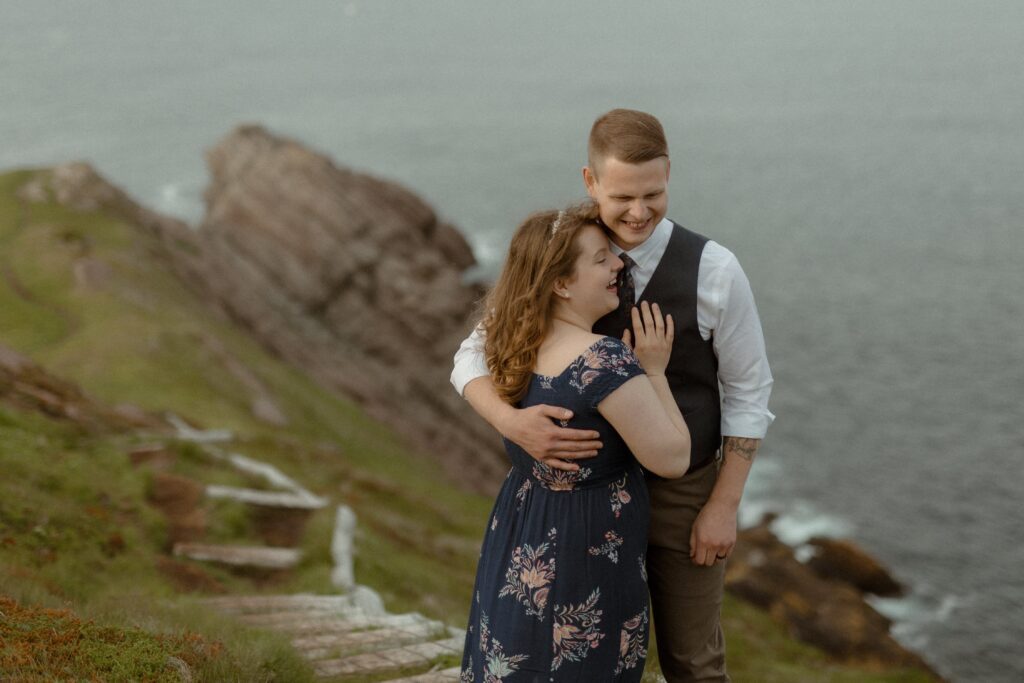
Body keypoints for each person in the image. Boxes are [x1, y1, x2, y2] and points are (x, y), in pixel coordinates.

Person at [451, 109, 774, 682]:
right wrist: (511, 421)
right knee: (577, 650)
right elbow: (472, 353)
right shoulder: (563, 253)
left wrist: (723, 507)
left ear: (670, 174)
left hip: (682, 494)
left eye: (654, 193)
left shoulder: (716, 272)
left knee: (692, 660)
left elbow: (749, 392)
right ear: (590, 182)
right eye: (623, 195)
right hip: (585, 501)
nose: (639, 212)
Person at [459, 203, 691, 681]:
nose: (619, 265)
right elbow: (672, 458)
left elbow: (465, 359)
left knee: (518, 651)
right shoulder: (601, 361)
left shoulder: (513, 341)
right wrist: (652, 370)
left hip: (522, 523)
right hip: (585, 543)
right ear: (561, 284)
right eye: (601, 258)